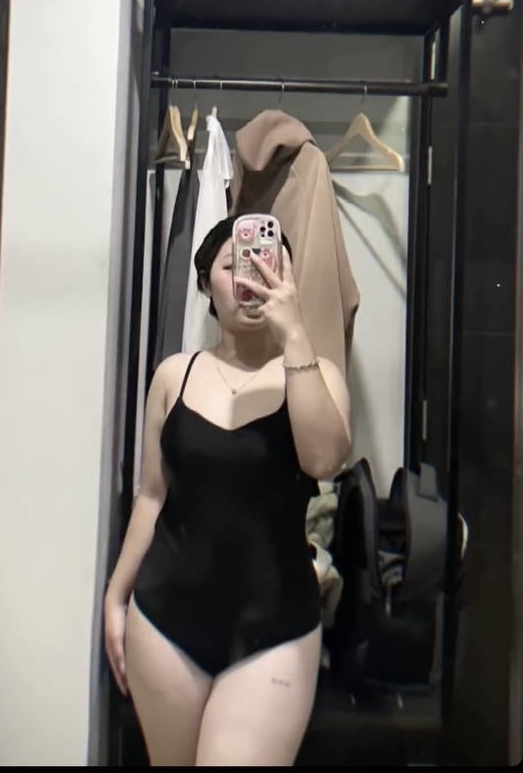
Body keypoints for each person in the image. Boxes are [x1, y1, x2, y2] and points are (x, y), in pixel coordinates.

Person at [104, 215, 351, 766]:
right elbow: (151, 496)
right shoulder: (174, 375)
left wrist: (295, 334)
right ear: (205, 283)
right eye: (235, 263)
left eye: (269, 262)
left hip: (275, 630)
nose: (252, 275)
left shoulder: (318, 374)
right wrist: (116, 597)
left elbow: (323, 460)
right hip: (164, 620)